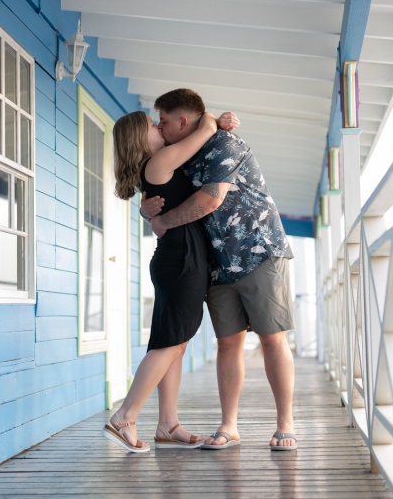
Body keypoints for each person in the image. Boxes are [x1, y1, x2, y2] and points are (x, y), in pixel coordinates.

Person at [141, 88, 297, 451]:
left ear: (183, 121)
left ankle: (285, 424)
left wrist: (161, 221)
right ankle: (229, 425)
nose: (160, 129)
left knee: (272, 338)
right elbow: (163, 189)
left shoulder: (224, 144)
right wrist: (147, 211)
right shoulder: (179, 153)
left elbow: (210, 198)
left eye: (163, 121)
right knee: (228, 343)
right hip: (215, 261)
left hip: (257, 250)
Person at [102, 108, 240, 453]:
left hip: (177, 257)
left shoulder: (158, 166)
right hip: (181, 259)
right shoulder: (159, 162)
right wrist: (213, 119)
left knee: (174, 341)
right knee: (171, 343)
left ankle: (168, 425)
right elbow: (202, 130)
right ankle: (124, 418)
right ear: (139, 136)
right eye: (152, 124)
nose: (157, 126)